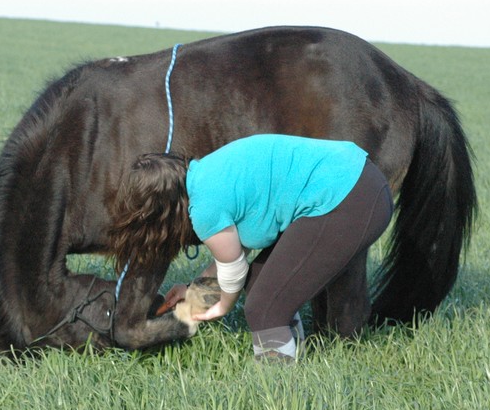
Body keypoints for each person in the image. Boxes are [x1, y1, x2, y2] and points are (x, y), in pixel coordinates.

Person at [109, 134, 393, 362]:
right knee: (259, 283)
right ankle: (299, 356)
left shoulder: (204, 208)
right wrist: (194, 293)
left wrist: (222, 306)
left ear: (160, 212)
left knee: (263, 308)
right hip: (358, 182)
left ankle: (277, 397)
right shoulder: (206, 175)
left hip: (349, 196)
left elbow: (232, 267)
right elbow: (231, 255)